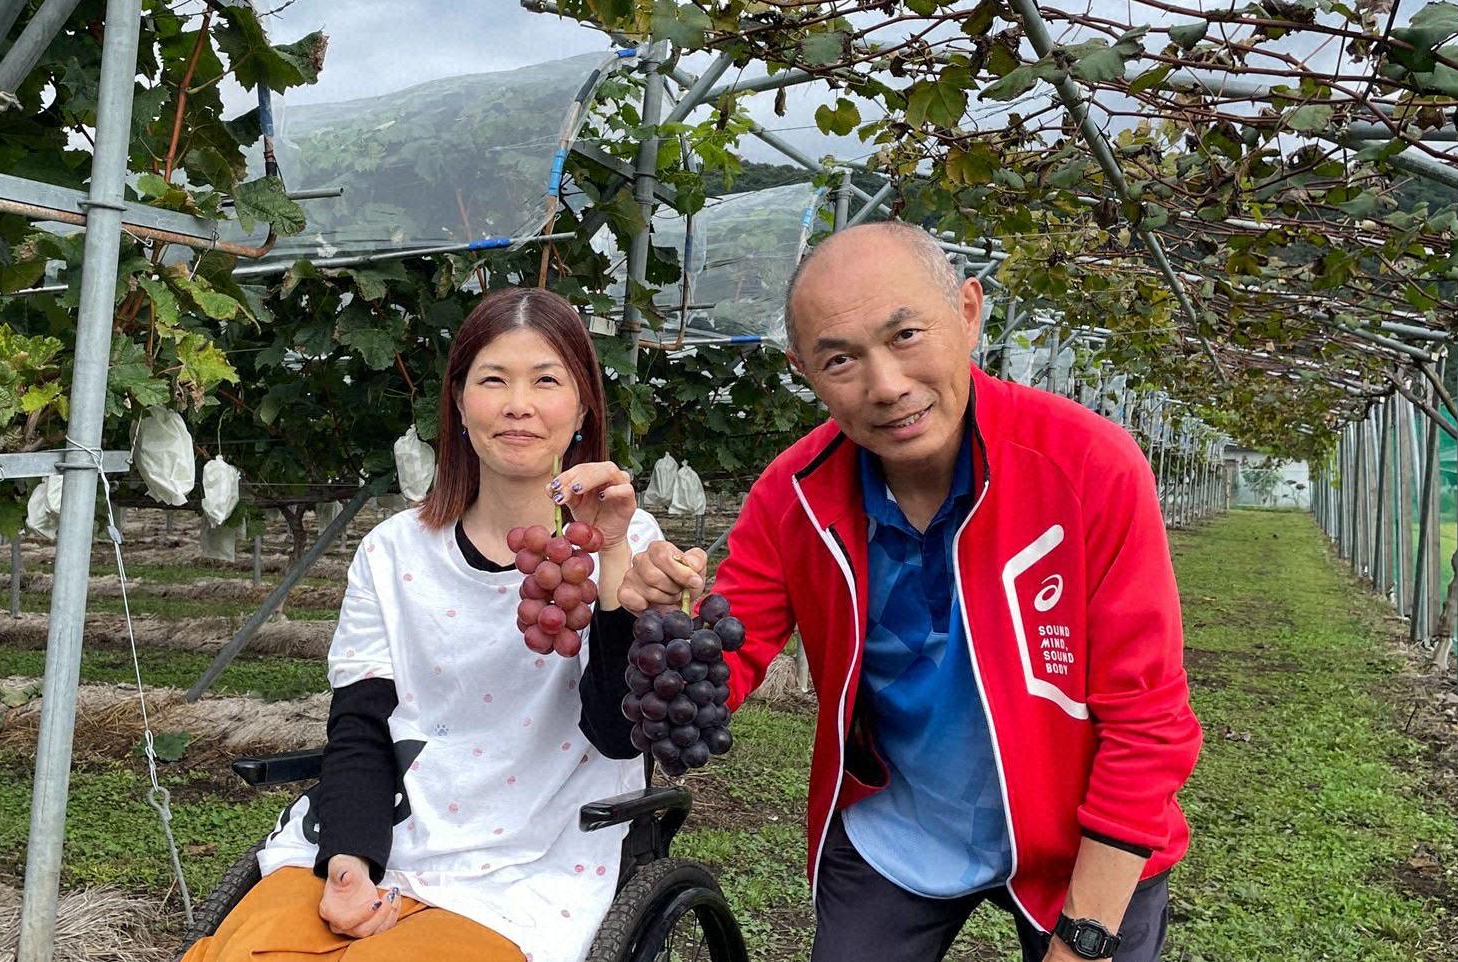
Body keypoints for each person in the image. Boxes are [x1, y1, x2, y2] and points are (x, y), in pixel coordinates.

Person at [620, 222, 1202, 962]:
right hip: (895, 828)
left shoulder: (1088, 468)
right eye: (841, 360)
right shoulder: (793, 496)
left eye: (905, 336)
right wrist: (656, 620)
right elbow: (722, 671)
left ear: (967, 311)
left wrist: (1084, 938)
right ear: (804, 370)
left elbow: (1148, 722)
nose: (886, 386)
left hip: (1078, 837)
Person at [183, 287, 661, 962]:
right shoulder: (394, 552)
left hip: (525, 862)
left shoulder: (626, 542)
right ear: (460, 405)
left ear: (583, 407)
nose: (518, 403)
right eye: (493, 380)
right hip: (387, 833)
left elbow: (619, 738)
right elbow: (361, 724)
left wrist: (612, 561)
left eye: (546, 380)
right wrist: (349, 861)